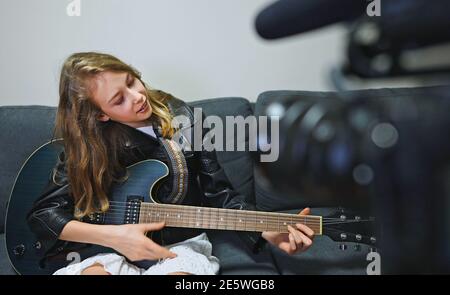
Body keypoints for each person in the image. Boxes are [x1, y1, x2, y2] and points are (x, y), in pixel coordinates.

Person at [27, 52, 314, 275]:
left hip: (179, 244)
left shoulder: (185, 119)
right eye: (119, 99)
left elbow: (221, 195)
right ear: (101, 114)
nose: (138, 96)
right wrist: (115, 237)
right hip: (104, 248)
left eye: (131, 81)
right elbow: (44, 214)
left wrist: (265, 230)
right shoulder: (89, 146)